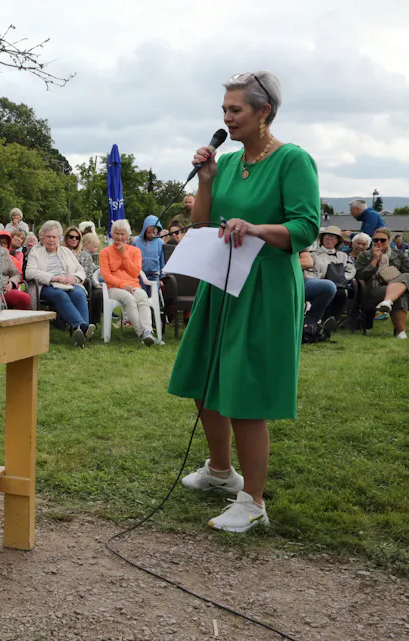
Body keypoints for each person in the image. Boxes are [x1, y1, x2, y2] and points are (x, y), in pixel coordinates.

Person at [168, 71, 320, 533]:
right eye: (224, 111)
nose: (227, 118)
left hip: (265, 287)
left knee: (245, 390)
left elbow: (305, 228)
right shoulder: (229, 162)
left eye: (235, 110)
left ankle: (253, 501)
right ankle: (220, 471)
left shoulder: (293, 159)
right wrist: (207, 181)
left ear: (264, 111)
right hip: (222, 281)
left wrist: (255, 228)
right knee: (203, 377)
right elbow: (200, 224)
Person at [26, 220, 94, 346]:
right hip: (45, 285)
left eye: (54, 237)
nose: (51, 240)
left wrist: (74, 278)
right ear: (42, 237)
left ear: (59, 238)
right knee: (60, 295)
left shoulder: (66, 251)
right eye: (48, 236)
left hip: (67, 284)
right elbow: (29, 272)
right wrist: (54, 278)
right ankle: (83, 327)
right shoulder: (35, 252)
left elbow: (80, 270)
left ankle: (81, 334)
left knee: (79, 293)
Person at [100, 219, 156, 346]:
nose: (119, 237)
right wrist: (122, 285)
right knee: (129, 298)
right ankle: (143, 333)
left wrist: (124, 254)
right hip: (114, 288)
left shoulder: (135, 251)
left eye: (122, 234)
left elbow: (135, 272)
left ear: (128, 235)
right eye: (117, 233)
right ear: (112, 234)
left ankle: (147, 331)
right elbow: (106, 276)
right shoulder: (105, 252)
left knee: (142, 296)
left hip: (134, 286)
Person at [356, 227, 409, 340]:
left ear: (389, 240)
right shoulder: (365, 255)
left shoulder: (398, 255)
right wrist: (374, 260)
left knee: (404, 282)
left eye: (382, 240)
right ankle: (400, 332)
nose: (379, 242)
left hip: (395, 286)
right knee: (400, 293)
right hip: (372, 289)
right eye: (376, 240)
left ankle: (388, 303)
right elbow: (359, 276)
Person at [307, 225, 355, 334]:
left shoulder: (343, 256)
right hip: (318, 283)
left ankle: (330, 322)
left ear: (337, 241)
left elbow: (351, 270)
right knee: (325, 291)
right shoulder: (312, 254)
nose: (329, 239)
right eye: (327, 236)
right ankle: (317, 321)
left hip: (338, 285)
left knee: (341, 293)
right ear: (322, 238)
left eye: (333, 237)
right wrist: (321, 276)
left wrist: (341, 278)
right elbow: (307, 272)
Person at [133, 215, 165, 295]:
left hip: (154, 275)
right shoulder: (136, 241)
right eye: (148, 232)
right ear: (144, 230)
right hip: (140, 274)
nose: (151, 235)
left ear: (158, 231)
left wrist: (162, 277)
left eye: (153, 232)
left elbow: (162, 260)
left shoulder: (160, 242)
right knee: (142, 295)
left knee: (153, 295)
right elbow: (132, 259)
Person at [0, 231, 29, 310]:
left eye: (4, 243)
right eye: (0, 243)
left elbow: (16, 274)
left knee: (24, 298)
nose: (2, 246)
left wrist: (11, 283)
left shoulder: (7, 256)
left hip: (5, 289)